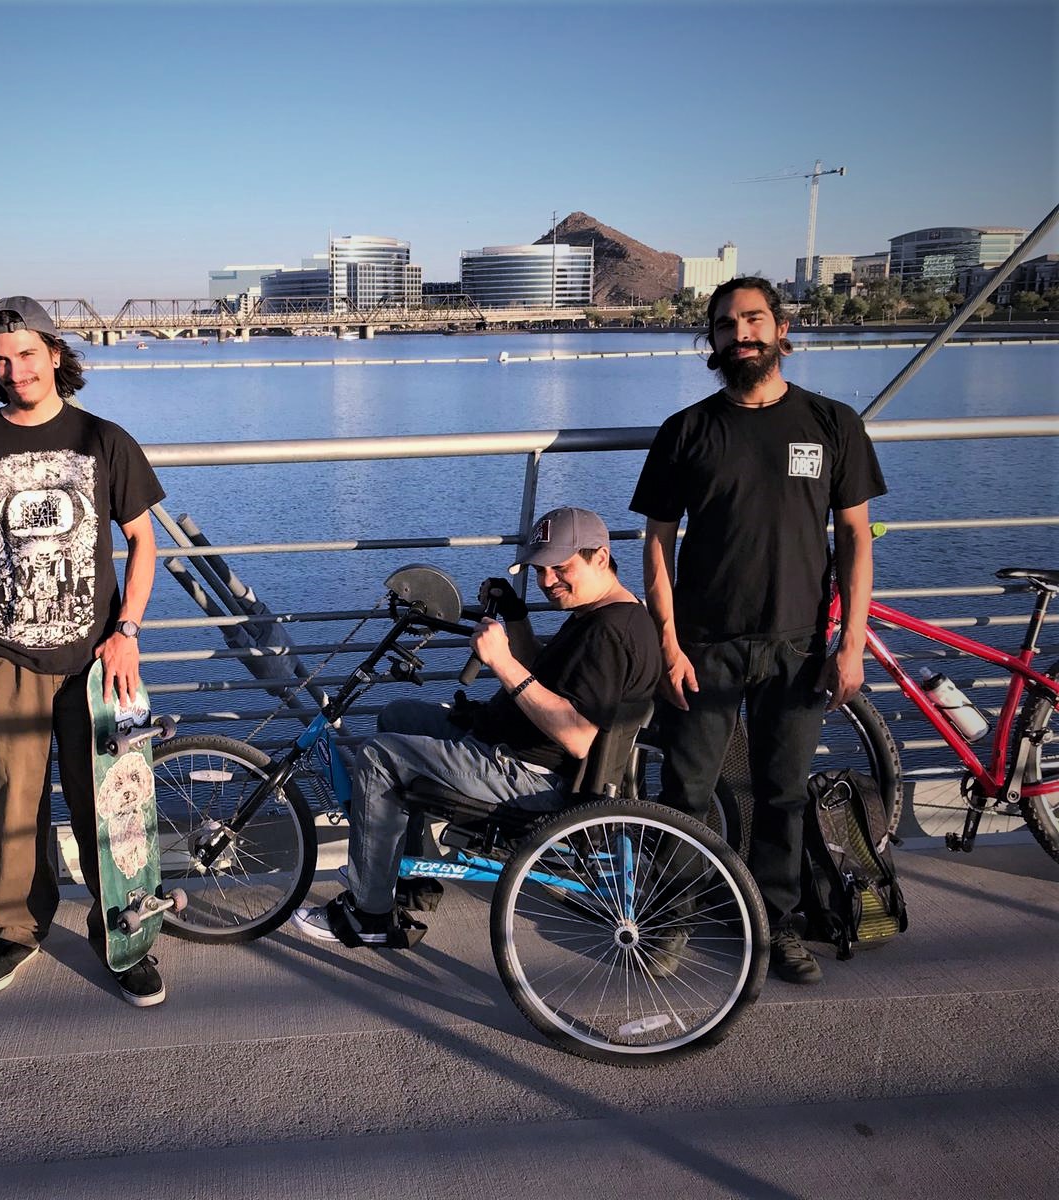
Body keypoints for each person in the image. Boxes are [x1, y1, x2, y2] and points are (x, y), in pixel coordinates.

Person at [630, 276, 887, 985]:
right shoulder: (687, 431)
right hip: (703, 647)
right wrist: (668, 641)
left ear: (780, 329)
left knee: (782, 793)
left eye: (752, 320)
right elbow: (657, 541)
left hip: (799, 645)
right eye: (724, 325)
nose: (739, 334)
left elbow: (857, 539)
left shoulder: (832, 423)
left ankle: (778, 924)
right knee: (685, 791)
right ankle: (672, 916)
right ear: (710, 341)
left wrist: (851, 642)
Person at [0, 297, 167, 1006]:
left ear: (55, 354)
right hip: (3, 654)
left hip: (97, 660)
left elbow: (146, 541)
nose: (13, 369)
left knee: (110, 805)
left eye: (26, 354)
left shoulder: (103, 439)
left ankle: (125, 935)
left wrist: (127, 633)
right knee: (15, 807)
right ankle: (18, 929)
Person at [292, 507, 661, 947]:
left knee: (378, 756)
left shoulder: (609, 635)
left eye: (561, 569)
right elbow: (548, 672)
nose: (547, 581)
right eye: (540, 570)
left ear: (601, 557)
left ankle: (367, 914)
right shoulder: (605, 612)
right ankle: (409, 888)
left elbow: (578, 736)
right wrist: (517, 615)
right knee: (398, 716)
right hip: (505, 743)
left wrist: (501, 662)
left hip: (525, 775)